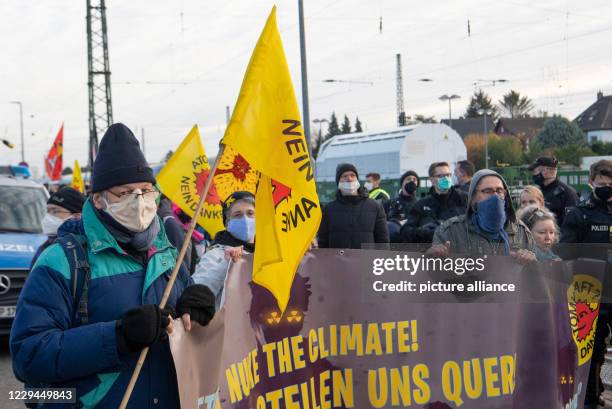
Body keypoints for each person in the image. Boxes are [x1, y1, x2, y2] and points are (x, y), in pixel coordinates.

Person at [10, 123, 216, 409]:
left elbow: (182, 318)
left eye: (146, 190)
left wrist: (196, 304)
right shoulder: (60, 261)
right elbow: (28, 357)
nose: (139, 200)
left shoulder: (167, 250)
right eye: (126, 193)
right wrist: (117, 336)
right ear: (99, 200)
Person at [559, 159, 612, 408]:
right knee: (591, 350)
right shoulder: (579, 214)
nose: (607, 187)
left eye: (611, 183)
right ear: (591, 182)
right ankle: (590, 397)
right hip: (590, 291)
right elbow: (566, 252)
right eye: (602, 183)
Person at [428, 169, 536, 261]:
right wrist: (433, 260)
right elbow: (433, 277)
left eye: (499, 191)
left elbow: (534, 278)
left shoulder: (520, 231)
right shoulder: (451, 231)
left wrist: (531, 262)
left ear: (505, 195)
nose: (495, 196)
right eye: (488, 191)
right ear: (473, 197)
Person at [192, 191, 255, 310]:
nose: (245, 220)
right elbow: (197, 293)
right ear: (227, 223)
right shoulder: (215, 255)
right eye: (237, 215)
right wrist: (226, 264)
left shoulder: (267, 255)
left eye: (250, 213)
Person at [318, 163, 389, 249]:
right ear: (338, 181)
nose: (349, 179)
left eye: (353, 175)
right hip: (337, 261)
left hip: (366, 261)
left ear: (357, 179)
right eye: (344, 176)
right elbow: (323, 242)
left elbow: (383, 241)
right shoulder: (329, 209)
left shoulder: (374, 206)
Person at [400, 161, 467, 243]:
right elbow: (405, 232)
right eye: (440, 176)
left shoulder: (465, 199)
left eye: (448, 175)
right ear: (431, 180)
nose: (445, 178)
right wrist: (426, 232)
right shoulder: (421, 205)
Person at [32, 186, 85, 267]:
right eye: (48, 211)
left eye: (55, 211)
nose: (49, 216)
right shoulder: (44, 247)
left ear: (76, 216)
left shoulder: (85, 248)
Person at [529, 156, 578, 226]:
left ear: (545, 171)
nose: (533, 175)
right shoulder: (538, 191)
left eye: (535, 171)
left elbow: (572, 224)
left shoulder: (568, 193)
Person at [387, 170, 420, 242]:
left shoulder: (421, 203)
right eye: (408, 179)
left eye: (414, 179)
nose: (412, 181)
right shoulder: (391, 202)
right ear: (402, 183)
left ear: (417, 184)